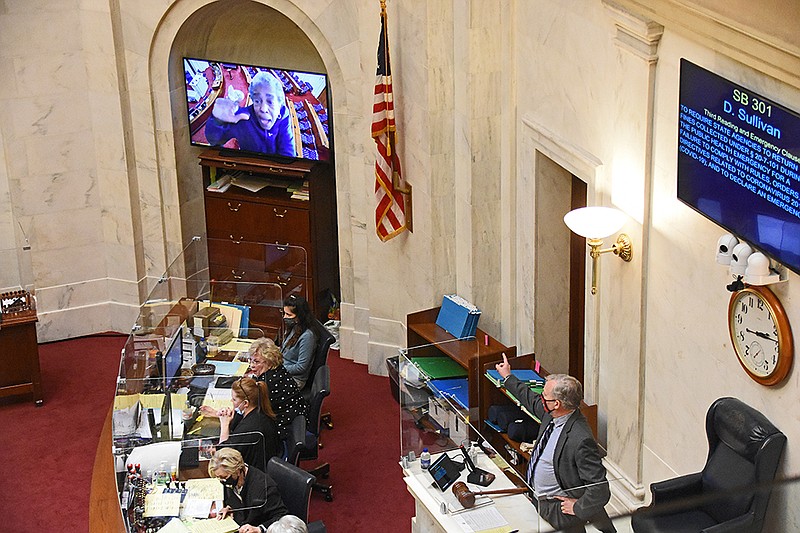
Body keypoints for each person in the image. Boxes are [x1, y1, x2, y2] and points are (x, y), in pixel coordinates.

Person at [495, 354, 616, 533]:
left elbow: (599, 488)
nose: (541, 398)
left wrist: (578, 507)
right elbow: (530, 399)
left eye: (545, 396)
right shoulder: (551, 414)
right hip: (536, 498)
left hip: (557, 510)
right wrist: (508, 376)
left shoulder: (581, 439)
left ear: (557, 403)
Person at [205, 70, 296, 157]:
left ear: (279, 104)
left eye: (270, 102)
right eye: (257, 101)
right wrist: (217, 121)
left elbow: (288, 155)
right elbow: (214, 141)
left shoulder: (283, 115)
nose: (263, 109)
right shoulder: (243, 117)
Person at [201, 377, 280, 472]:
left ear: (245, 403)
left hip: (255, 471)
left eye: (234, 399)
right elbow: (236, 420)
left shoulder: (250, 427)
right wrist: (217, 413)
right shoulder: (258, 410)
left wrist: (224, 424)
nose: (231, 402)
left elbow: (223, 456)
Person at [209, 447, 288, 533]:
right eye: (219, 478)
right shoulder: (232, 478)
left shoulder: (264, 488)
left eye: (224, 477)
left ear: (238, 470)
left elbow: (282, 517)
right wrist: (231, 507)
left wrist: (259, 529)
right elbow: (237, 498)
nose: (223, 481)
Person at [247, 337, 307, 439]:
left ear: (269, 362)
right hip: (295, 414)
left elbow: (251, 409)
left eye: (256, 362)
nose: (251, 366)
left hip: (281, 427)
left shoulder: (266, 383)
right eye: (250, 360)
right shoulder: (278, 369)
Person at [280, 295, 321, 389]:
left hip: (295, 379)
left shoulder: (307, 336)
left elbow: (301, 367)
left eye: (288, 315)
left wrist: (277, 368)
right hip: (283, 370)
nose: (284, 317)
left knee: (257, 389)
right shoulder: (293, 327)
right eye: (284, 313)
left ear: (299, 316)